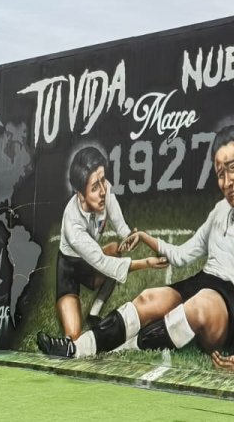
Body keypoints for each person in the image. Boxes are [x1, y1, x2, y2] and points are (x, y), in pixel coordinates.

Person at [37, 125, 234, 371]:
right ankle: (75, 350)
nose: (226, 181)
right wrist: (146, 238)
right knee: (150, 298)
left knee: (200, 305)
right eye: (220, 172)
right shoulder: (221, 210)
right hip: (205, 281)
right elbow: (183, 255)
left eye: (233, 168)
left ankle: (123, 348)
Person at [53, 146, 164, 341]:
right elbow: (104, 264)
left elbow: (120, 225)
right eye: (95, 187)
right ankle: (71, 305)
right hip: (69, 268)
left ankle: (94, 314)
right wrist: (146, 263)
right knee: (73, 336)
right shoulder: (73, 224)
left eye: (103, 180)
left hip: (89, 262)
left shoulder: (106, 191)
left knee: (114, 249)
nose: (103, 191)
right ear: (80, 194)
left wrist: (130, 236)